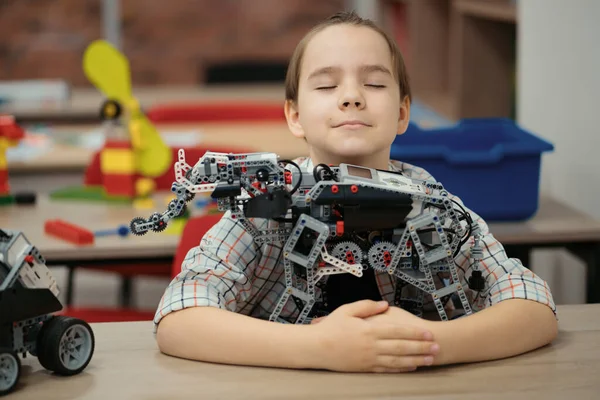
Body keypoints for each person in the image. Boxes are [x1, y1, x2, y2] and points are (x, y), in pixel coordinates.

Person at [154, 10, 558, 373]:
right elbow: (178, 319)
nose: (351, 96)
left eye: (375, 83)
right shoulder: (267, 205)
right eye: (327, 86)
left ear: (403, 113)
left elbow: (534, 307)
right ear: (295, 115)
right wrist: (318, 347)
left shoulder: (433, 204)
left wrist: (425, 343)